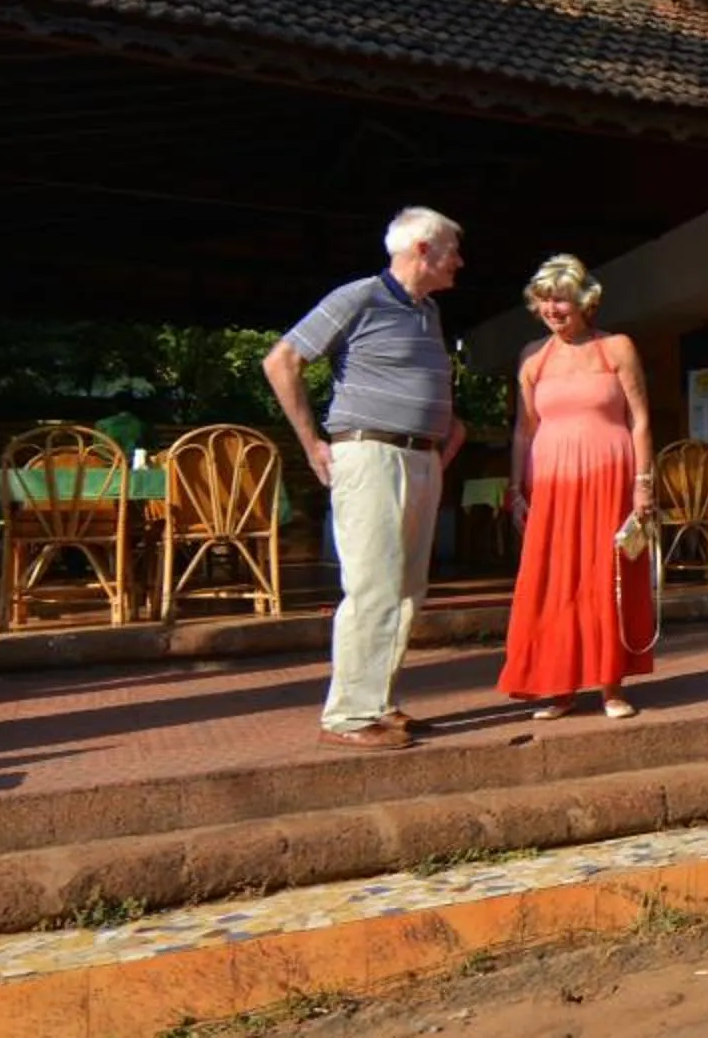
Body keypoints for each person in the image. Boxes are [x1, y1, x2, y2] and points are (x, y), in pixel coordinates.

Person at [265, 207, 467, 751]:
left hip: (418, 458)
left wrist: (443, 435)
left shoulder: (427, 312)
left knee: (406, 590)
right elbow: (282, 360)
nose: (460, 261)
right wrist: (311, 444)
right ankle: (348, 715)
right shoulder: (357, 297)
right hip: (372, 454)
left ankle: (378, 702)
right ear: (423, 250)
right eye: (453, 249)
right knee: (374, 584)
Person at [499, 255, 657, 719]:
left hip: (610, 479)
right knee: (554, 583)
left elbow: (640, 420)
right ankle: (558, 686)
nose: (552, 309)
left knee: (607, 580)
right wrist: (516, 489)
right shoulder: (532, 357)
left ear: (585, 302)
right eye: (544, 300)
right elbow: (524, 431)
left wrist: (643, 484)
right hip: (549, 485)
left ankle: (611, 686)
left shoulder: (618, 348)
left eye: (561, 300)